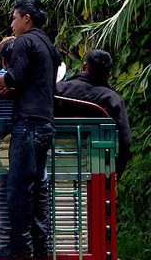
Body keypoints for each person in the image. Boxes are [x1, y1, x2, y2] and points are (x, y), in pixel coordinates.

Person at [0, 0, 61, 260]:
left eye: (14, 17)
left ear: (26, 18)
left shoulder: (25, 41)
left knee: (19, 186)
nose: (12, 23)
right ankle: (41, 245)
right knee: (38, 187)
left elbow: (14, 77)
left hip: (28, 123)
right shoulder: (48, 44)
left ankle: (20, 246)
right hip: (45, 121)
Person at [55, 49, 132, 178]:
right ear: (108, 76)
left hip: (57, 164)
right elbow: (126, 141)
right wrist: (116, 170)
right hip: (99, 171)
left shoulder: (58, 90)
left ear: (85, 66)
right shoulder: (112, 100)